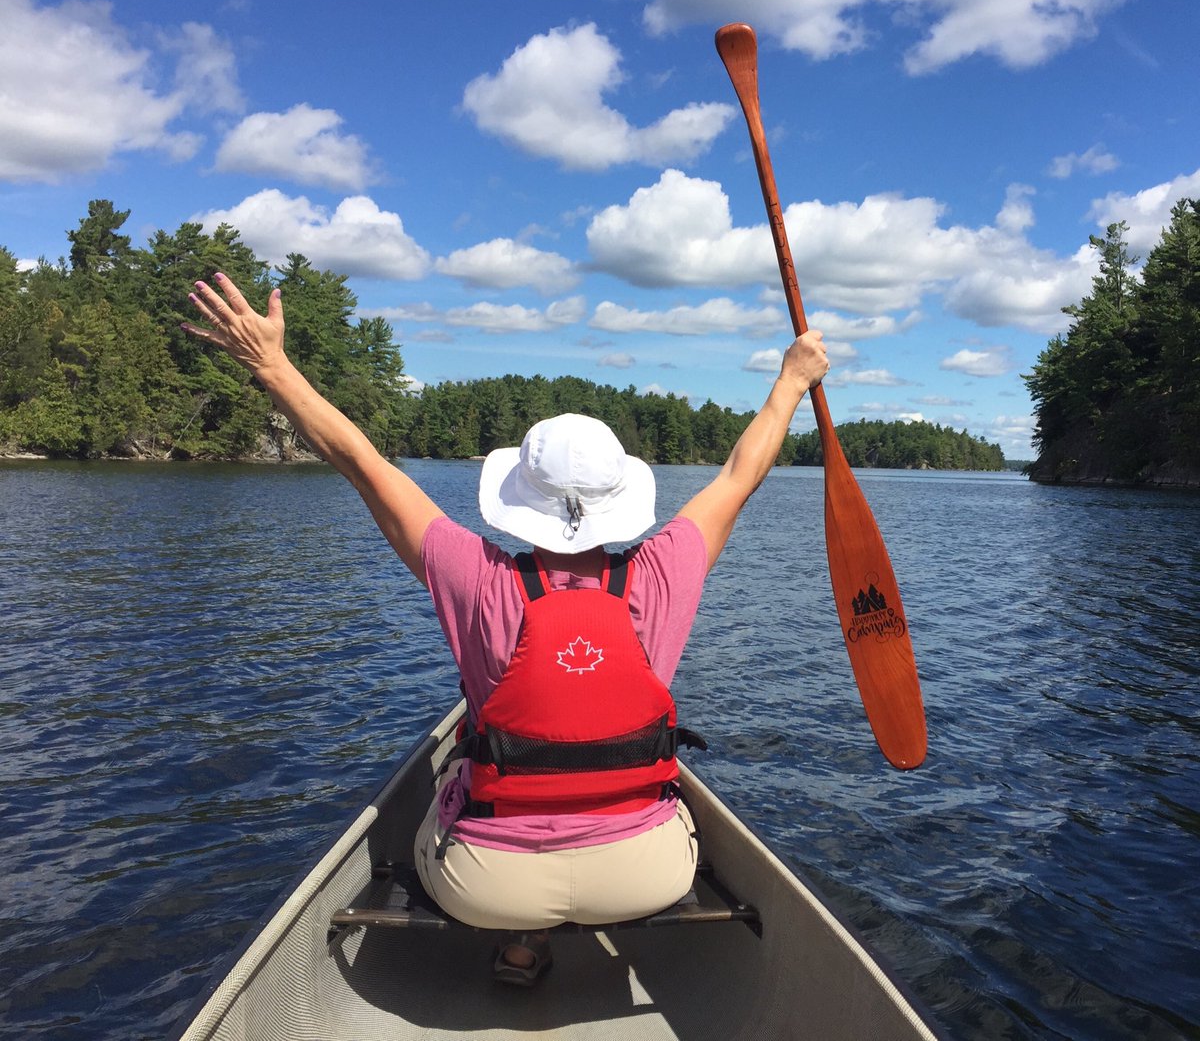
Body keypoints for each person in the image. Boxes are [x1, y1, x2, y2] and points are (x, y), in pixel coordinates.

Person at [183, 272, 829, 985]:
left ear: (519, 497)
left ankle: (523, 943)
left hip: (487, 885)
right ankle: (555, 919)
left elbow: (359, 460)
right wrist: (790, 382)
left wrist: (273, 365)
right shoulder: (665, 567)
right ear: (622, 498)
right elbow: (741, 472)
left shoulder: (474, 573)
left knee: (462, 766)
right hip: (652, 875)